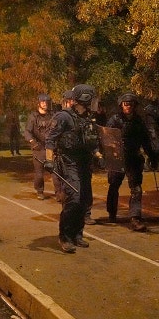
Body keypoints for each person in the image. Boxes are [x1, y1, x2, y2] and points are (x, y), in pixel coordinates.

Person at [44, 84, 104, 253]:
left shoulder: (88, 118)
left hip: (85, 164)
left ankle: (78, 234)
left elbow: (92, 142)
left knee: (84, 200)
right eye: (92, 99)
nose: (94, 103)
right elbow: (50, 139)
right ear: (84, 99)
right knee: (74, 199)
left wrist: (100, 157)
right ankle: (65, 236)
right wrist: (49, 161)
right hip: (69, 163)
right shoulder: (63, 117)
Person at [105, 93, 156, 232]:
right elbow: (107, 139)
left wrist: (152, 156)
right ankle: (112, 213)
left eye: (131, 104)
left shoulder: (139, 121)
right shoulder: (114, 120)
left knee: (136, 189)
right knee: (114, 186)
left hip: (133, 159)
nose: (128, 106)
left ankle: (135, 218)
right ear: (121, 105)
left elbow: (146, 141)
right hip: (117, 159)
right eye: (126, 103)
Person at [24, 94, 62, 201]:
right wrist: (32, 142)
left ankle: (59, 194)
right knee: (39, 174)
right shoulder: (33, 117)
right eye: (42, 101)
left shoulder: (53, 115)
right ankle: (40, 191)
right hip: (39, 148)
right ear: (39, 103)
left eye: (46, 102)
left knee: (55, 172)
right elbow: (27, 132)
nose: (45, 103)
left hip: (51, 148)